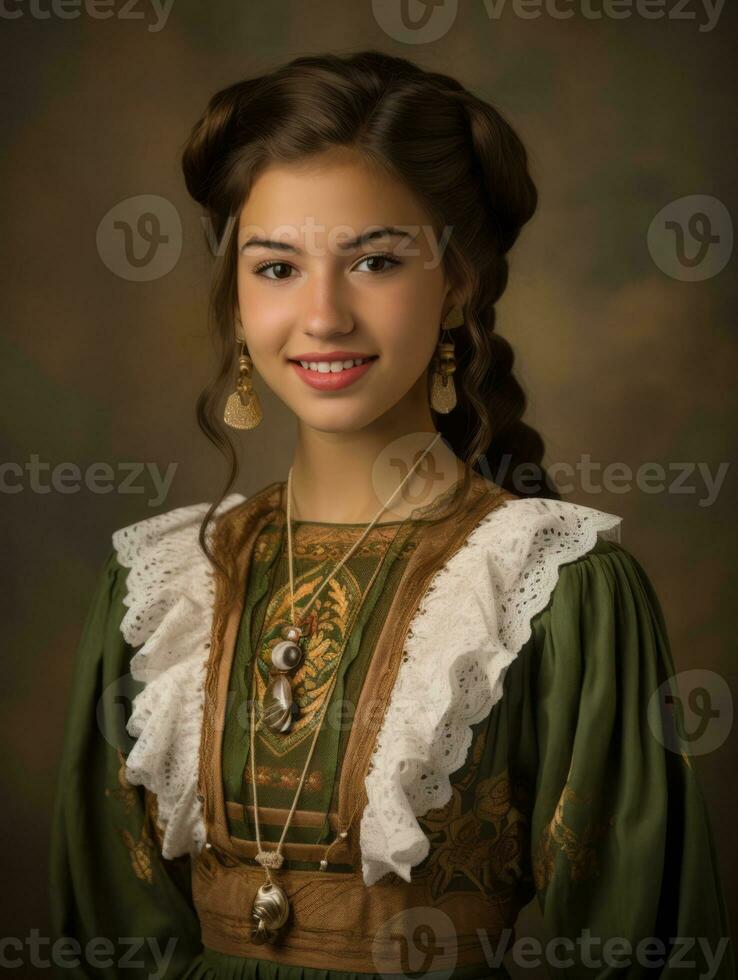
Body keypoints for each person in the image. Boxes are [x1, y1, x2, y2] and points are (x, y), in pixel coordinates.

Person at [49, 50, 734, 979]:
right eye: (278, 266)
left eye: (376, 260)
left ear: (457, 283)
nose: (323, 315)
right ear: (238, 292)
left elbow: (637, 942)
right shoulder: (160, 584)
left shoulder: (558, 588)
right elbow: (109, 934)